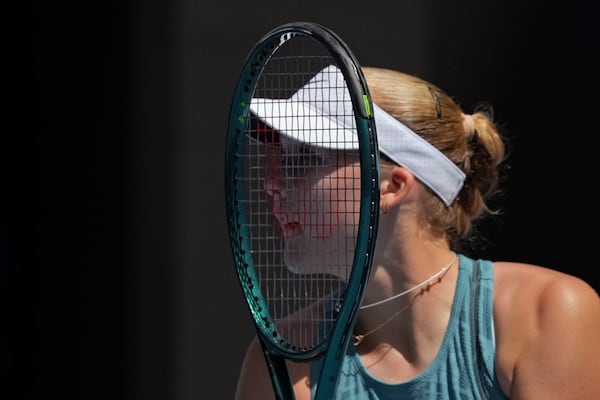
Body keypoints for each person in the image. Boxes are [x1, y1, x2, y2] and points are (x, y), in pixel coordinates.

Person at [234, 65, 600, 399]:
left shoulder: (548, 312)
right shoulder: (283, 357)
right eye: (285, 159)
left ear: (392, 185)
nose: (274, 184)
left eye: (308, 159)